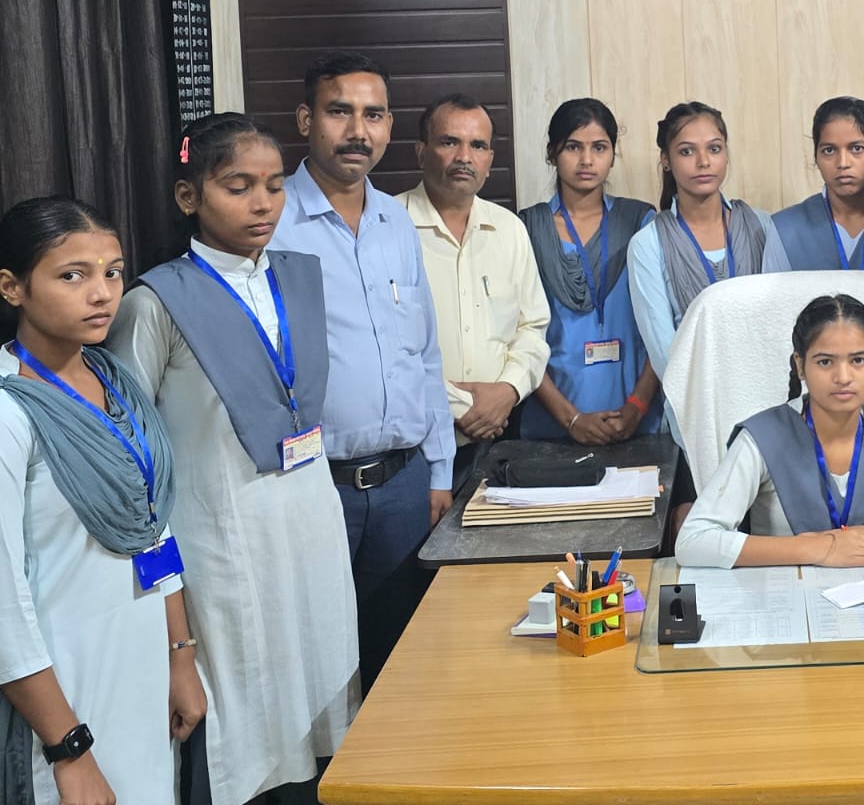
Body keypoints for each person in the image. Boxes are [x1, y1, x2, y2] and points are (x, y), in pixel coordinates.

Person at [107, 114, 359, 805]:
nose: (262, 204)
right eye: (238, 186)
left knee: (323, 705)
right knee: (246, 727)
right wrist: (166, 608)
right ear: (190, 196)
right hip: (221, 545)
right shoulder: (154, 303)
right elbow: (131, 465)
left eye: (274, 186)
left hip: (311, 525)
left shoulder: (301, 278)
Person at [0, 196, 204, 804]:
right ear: (12, 287)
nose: (102, 293)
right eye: (72, 275)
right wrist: (68, 749)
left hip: (141, 668)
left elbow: (152, 523)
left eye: (113, 272)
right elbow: (5, 606)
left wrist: (180, 656)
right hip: (64, 693)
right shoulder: (9, 410)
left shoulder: (116, 381)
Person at [272, 51, 453, 691]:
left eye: (373, 115)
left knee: (400, 663)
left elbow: (424, 352)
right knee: (315, 666)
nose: (358, 131)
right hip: (312, 486)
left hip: (404, 485)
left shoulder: (394, 221)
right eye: (339, 112)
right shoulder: (271, 223)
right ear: (305, 119)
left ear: (389, 125)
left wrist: (439, 469)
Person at [676, 293, 864, 567]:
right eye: (825, 362)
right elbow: (693, 541)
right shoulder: (762, 437)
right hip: (786, 599)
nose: (843, 376)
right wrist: (821, 549)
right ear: (800, 365)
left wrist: (847, 540)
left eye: (858, 360)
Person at [398, 94, 551, 485]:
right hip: (412, 450)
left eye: (478, 145)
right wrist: (459, 406)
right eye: (450, 142)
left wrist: (508, 390)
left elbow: (532, 329)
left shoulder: (509, 229)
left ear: (490, 159)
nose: (464, 157)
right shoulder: (387, 226)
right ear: (421, 151)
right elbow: (381, 349)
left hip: (500, 440)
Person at [519, 99, 660, 444]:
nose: (586, 160)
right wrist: (571, 419)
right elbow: (517, 337)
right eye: (573, 147)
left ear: (612, 153)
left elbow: (663, 326)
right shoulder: (527, 229)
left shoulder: (639, 222)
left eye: (599, 147)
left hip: (636, 419)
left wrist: (636, 408)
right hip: (552, 424)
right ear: (552, 153)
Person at [628, 101, 788, 387]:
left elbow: (783, 319)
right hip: (693, 400)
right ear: (666, 160)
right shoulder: (648, 244)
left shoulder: (762, 226)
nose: (703, 161)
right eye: (687, 151)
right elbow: (662, 350)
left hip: (767, 394)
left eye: (714, 149)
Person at [772, 97, 864, 272]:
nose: (843, 163)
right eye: (829, 150)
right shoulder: (785, 228)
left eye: (856, 148)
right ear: (816, 158)